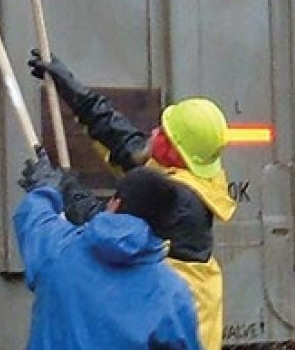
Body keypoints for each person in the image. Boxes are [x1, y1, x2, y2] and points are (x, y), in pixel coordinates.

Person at [28, 49, 236, 350]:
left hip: (180, 332)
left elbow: (109, 226)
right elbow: (128, 144)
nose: (154, 130)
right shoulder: (186, 172)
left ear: (172, 148)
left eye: (163, 131)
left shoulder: (182, 202)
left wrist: (59, 186)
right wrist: (74, 91)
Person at [13, 147, 202, 350]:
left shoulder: (58, 248)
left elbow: (34, 220)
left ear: (115, 203)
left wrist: (44, 190)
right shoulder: (172, 294)